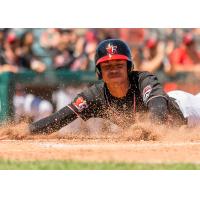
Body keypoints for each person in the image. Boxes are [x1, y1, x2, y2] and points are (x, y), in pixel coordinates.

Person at [28, 39, 200, 135]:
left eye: (119, 64)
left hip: (188, 110)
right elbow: (60, 118)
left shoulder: (143, 80)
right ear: (99, 72)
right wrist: (25, 131)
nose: (114, 69)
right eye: (107, 66)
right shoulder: (94, 95)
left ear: (128, 67)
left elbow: (158, 106)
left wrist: (150, 129)